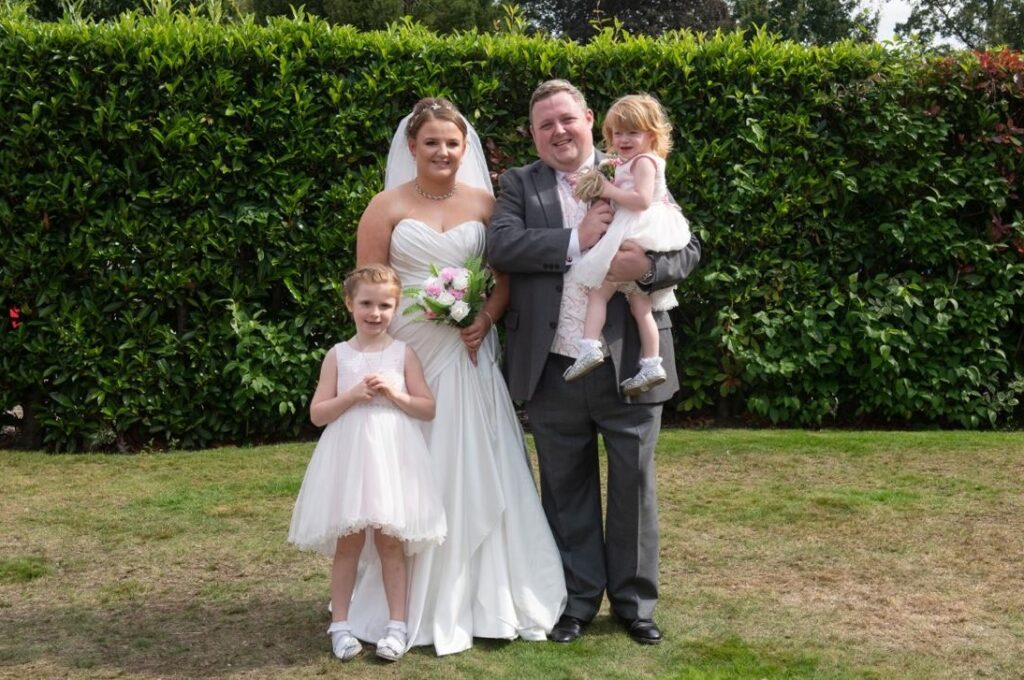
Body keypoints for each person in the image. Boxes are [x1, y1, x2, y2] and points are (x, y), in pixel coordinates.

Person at [487, 80, 701, 645]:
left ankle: (634, 605)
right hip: (553, 367)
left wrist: (647, 272)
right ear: (533, 135)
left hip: (630, 361)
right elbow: (501, 247)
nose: (558, 131)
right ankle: (576, 600)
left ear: (588, 120)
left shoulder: (633, 165)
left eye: (566, 119)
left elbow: (685, 246)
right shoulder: (518, 184)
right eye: (544, 125)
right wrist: (571, 238)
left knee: (634, 484)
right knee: (564, 488)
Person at [351, 97, 567, 656]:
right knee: (410, 464)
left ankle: (488, 593)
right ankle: (401, 602)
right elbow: (369, 284)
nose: (442, 152)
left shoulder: (485, 203)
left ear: (464, 148)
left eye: (452, 143)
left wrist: (484, 317)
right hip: (410, 350)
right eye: (431, 143)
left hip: (469, 350)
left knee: (479, 457)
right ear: (412, 147)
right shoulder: (385, 206)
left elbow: (503, 276)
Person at [288, 263, 447, 662]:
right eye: (366, 304)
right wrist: (352, 395)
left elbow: (427, 408)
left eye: (385, 305)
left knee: (392, 541)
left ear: (395, 308)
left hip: (393, 457)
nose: (375, 313)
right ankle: (340, 625)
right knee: (350, 542)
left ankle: (397, 625)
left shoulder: (403, 353)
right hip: (351, 459)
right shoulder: (338, 356)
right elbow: (318, 413)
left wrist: (395, 394)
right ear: (349, 305)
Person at [562, 94, 692, 396]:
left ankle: (589, 346)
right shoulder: (627, 162)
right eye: (617, 133)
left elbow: (642, 200)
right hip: (636, 229)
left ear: (651, 134)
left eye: (632, 132)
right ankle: (650, 364)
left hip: (637, 227)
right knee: (640, 304)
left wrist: (607, 187)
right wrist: (592, 181)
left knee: (597, 288)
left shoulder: (645, 162)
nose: (623, 139)